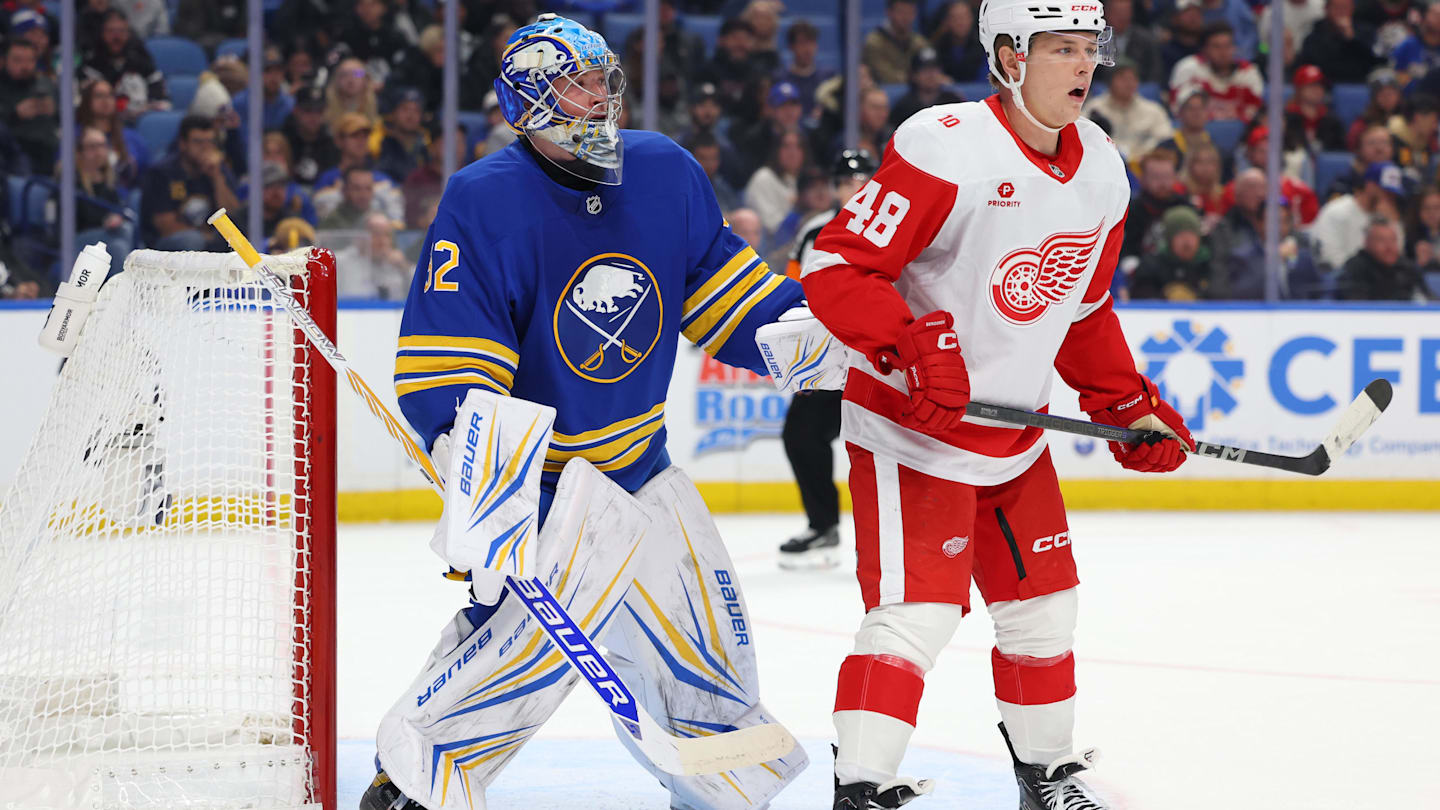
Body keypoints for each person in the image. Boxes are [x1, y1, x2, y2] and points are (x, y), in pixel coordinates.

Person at [362, 17, 808, 810]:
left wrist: (827, 337)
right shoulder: (483, 200)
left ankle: (715, 793)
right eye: (578, 84)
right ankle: (411, 785)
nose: (599, 98)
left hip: (644, 470)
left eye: (605, 80)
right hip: (549, 489)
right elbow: (451, 368)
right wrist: (493, 501)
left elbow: (732, 299)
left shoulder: (665, 171)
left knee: (712, 652)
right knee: (514, 656)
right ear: (528, 102)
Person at [800, 0, 1195, 806]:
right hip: (913, 430)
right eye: (1061, 49)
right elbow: (839, 270)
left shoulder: (1102, 167)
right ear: (1010, 57)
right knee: (916, 618)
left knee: (1045, 612)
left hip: (1014, 441)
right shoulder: (945, 147)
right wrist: (910, 346)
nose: (1084, 67)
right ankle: (861, 789)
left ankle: (1047, 776)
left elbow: (1081, 308)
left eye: (1090, 49)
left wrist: (1127, 405)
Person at [777, 148, 876, 570]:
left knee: (880, 447)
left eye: (862, 180)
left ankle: (882, 537)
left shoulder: (894, 225)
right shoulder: (814, 230)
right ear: (834, 188)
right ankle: (823, 525)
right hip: (829, 356)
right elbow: (794, 290)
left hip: (878, 356)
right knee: (800, 436)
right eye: (846, 182)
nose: (854, 189)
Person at [138, 114, 239, 251]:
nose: (205, 147)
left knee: (236, 239)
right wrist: (206, 237)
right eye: (198, 142)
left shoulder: (219, 170)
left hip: (210, 240)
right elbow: (165, 227)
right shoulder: (162, 173)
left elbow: (234, 216)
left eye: (210, 141)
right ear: (183, 144)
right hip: (166, 247)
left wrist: (217, 178)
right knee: (192, 240)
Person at [1310, 160, 1405, 271]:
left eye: (1393, 193)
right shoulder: (1337, 212)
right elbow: (1330, 258)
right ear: (1370, 186)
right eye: (1386, 192)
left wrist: (1395, 224)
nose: (1390, 197)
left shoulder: (1387, 216)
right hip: (1345, 282)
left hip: (1382, 280)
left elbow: (1397, 256)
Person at [1082, 56, 1171, 163]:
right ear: (1110, 81)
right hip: (1104, 162)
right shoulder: (1095, 107)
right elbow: (1083, 137)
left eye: (1132, 78)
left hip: (1143, 167)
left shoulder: (1153, 110)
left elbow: (1165, 139)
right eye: (1122, 78)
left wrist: (1144, 154)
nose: (1128, 83)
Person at [1338, 217, 1429, 300]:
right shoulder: (1355, 268)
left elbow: (1428, 299)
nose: (1389, 247)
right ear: (1367, 242)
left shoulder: (1407, 268)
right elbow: (1356, 303)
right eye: (1381, 240)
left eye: (1393, 240)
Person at [889, 47, 963, 128]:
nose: (931, 75)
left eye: (935, 69)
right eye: (925, 70)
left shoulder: (953, 101)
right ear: (914, 75)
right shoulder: (904, 106)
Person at [864, 0, 929, 85]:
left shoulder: (920, 42)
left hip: (916, 94)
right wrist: (919, 79)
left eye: (910, 12)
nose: (906, 17)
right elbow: (885, 76)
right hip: (883, 94)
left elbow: (929, 67)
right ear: (889, 13)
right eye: (901, 12)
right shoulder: (874, 42)